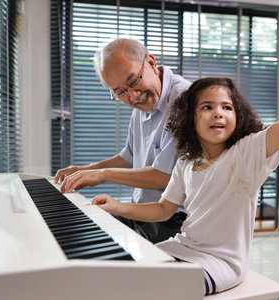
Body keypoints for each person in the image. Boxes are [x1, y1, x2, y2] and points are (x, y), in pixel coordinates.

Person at [91, 77, 279, 295]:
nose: (218, 113)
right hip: (181, 247)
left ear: (238, 116)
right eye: (207, 107)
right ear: (189, 118)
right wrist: (117, 207)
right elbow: (162, 209)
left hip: (221, 263)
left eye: (227, 107)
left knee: (157, 290)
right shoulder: (185, 163)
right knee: (124, 279)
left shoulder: (249, 152)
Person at [54, 38, 190, 243]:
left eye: (134, 81)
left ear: (151, 62)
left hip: (174, 221)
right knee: (77, 231)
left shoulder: (184, 100)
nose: (133, 95)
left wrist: (101, 175)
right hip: (142, 212)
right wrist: (85, 169)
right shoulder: (143, 102)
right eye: (120, 92)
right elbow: (129, 157)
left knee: (97, 252)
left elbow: (165, 176)